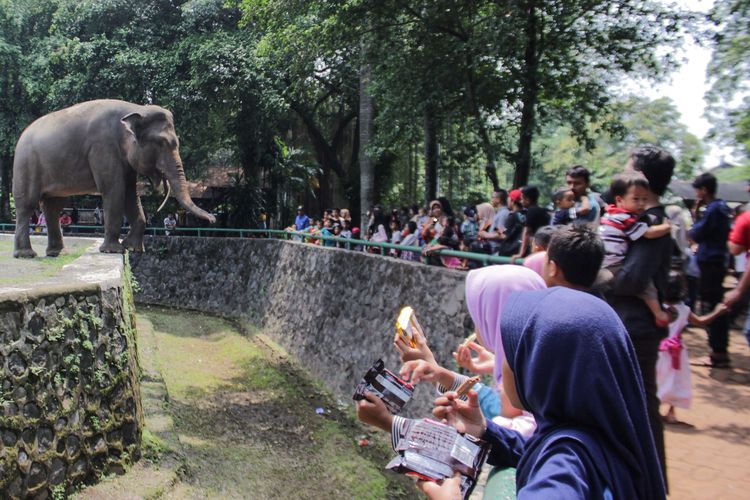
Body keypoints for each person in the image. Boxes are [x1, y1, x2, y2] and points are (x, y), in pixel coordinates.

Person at [424, 287, 666, 499]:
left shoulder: (566, 466)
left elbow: (555, 466)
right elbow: (534, 450)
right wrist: (485, 432)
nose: (501, 364)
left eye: (509, 353)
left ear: (540, 369)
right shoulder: (594, 434)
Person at [605, 145, 675, 489]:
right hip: (630, 324)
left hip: (635, 328)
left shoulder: (654, 223)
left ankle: (650, 486)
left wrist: (595, 275)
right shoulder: (639, 220)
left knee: (642, 409)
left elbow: (631, 279)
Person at [598, 173, 673, 326]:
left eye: (644, 199)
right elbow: (649, 233)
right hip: (614, 266)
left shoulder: (609, 214)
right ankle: (659, 314)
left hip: (602, 264)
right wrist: (666, 227)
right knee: (648, 289)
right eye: (636, 199)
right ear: (619, 200)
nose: (641, 204)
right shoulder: (626, 219)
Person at [658, 271, 728, 424]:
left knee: (658, 378)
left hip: (659, 349)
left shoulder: (658, 307)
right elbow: (701, 321)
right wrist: (717, 312)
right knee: (676, 380)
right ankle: (671, 412)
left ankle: (654, 409)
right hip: (677, 352)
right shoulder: (684, 309)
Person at [688, 172, 731, 368]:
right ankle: (718, 351)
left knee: (710, 306)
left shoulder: (713, 209)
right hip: (716, 262)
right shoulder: (722, 207)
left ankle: (718, 352)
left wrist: (695, 214)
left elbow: (695, 233)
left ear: (703, 190)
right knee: (713, 304)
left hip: (710, 264)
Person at [512, 186, 549, 259]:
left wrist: (521, 253)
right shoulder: (543, 211)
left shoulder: (531, 211)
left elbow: (527, 233)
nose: (520, 201)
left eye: (522, 199)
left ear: (528, 200)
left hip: (535, 246)